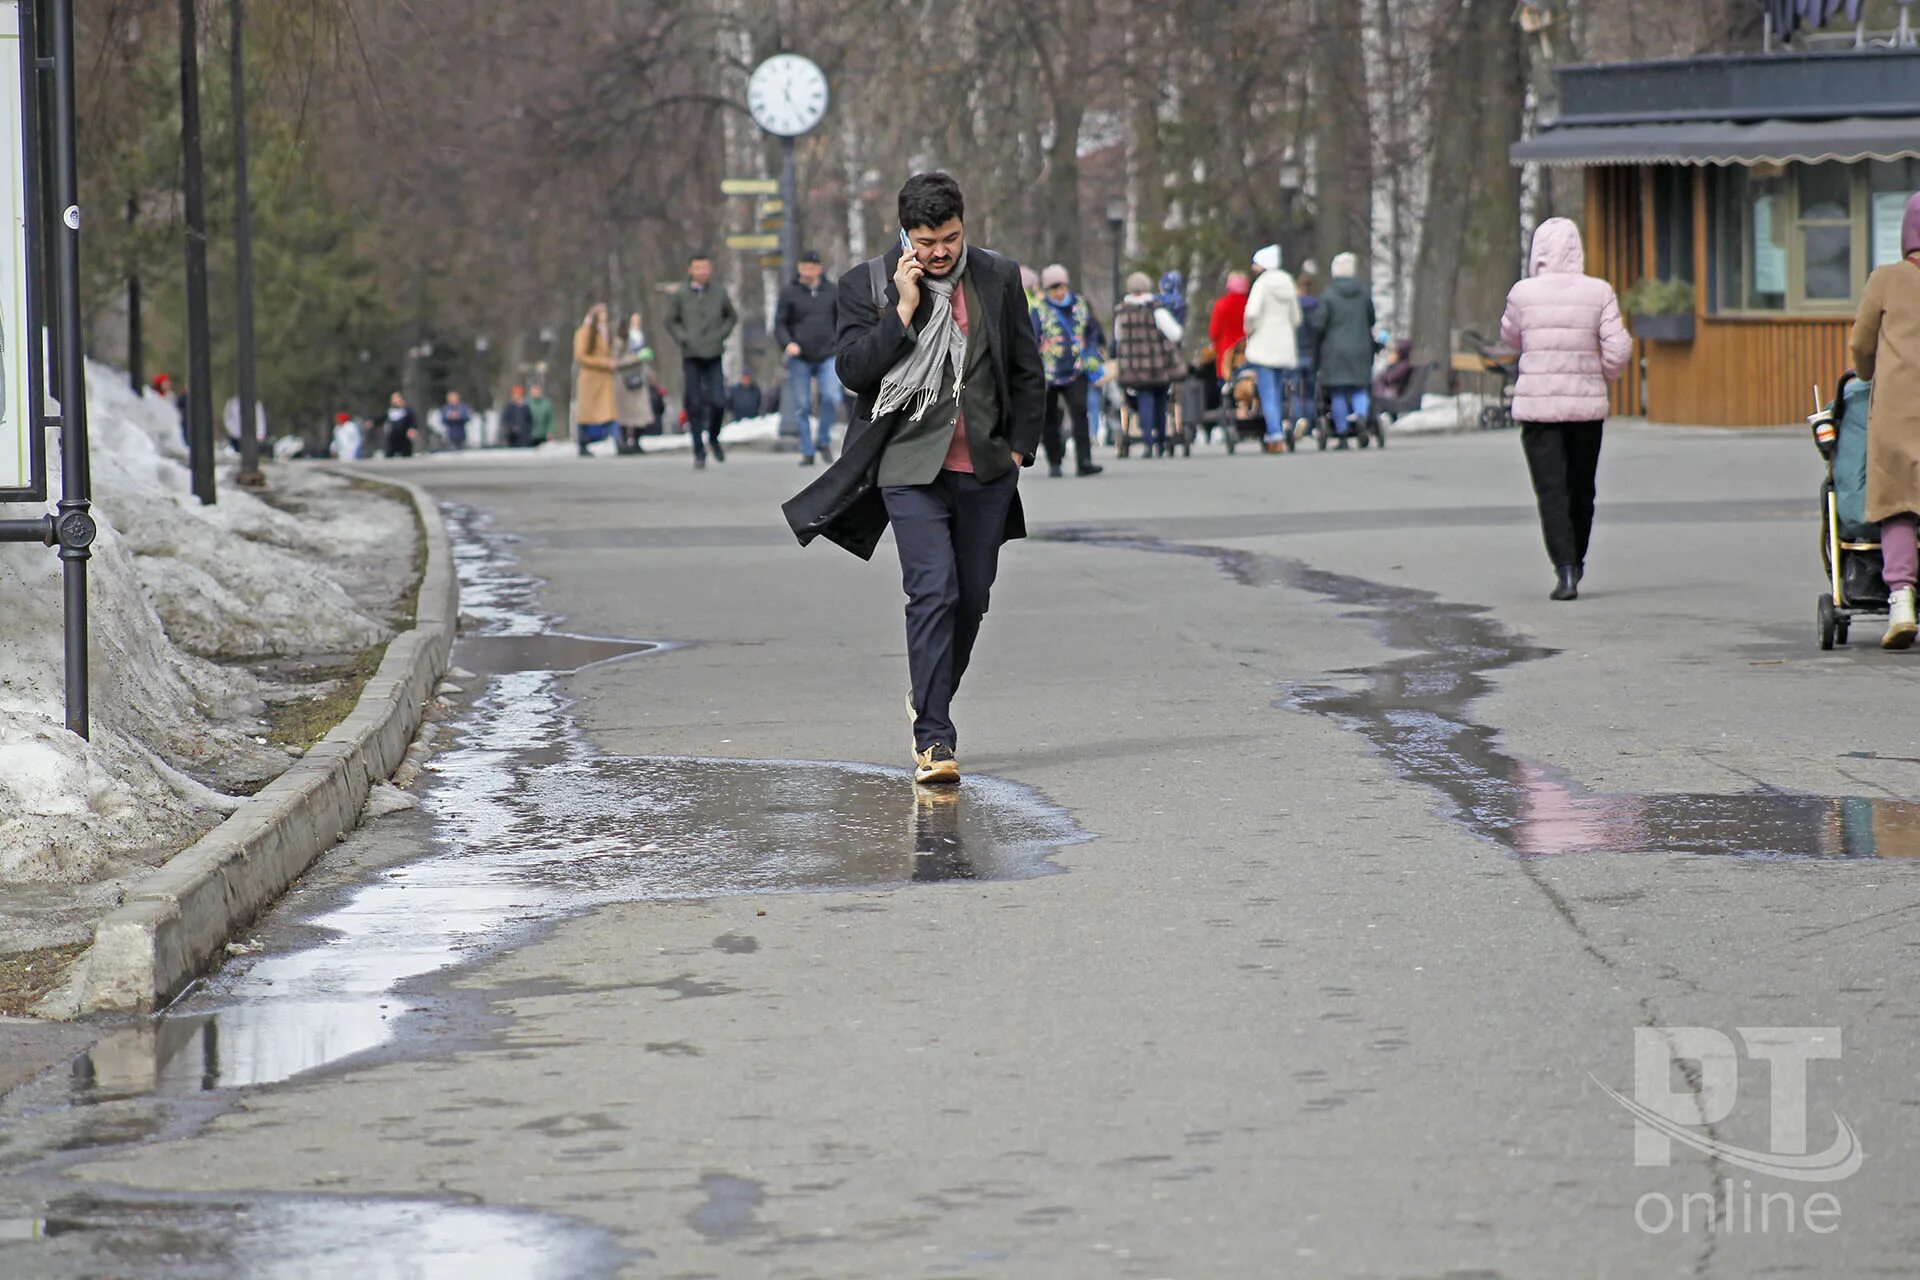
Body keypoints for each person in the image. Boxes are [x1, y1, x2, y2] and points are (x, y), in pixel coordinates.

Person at [782, 170, 1045, 785]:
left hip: (984, 464)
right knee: (934, 590)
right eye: (927, 242)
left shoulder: (998, 277)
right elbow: (852, 370)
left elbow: (1026, 369)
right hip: (907, 465)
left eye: (950, 238)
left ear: (962, 227)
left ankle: (931, 699)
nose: (940, 252)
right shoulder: (866, 286)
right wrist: (900, 313)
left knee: (973, 597)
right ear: (907, 235)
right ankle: (934, 738)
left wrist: (1020, 452)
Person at [1499, 217, 1632, 602]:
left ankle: (1565, 569)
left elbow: (1510, 335)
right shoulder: (1599, 291)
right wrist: (1602, 375)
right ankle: (1579, 558)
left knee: (1551, 490)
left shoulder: (1523, 293)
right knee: (1581, 487)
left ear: (1537, 251)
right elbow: (1619, 348)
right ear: (1577, 249)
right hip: (1586, 408)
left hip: (1539, 410)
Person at [1847, 190, 1920, 648]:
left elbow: (1861, 344)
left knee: (1898, 506)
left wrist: (1867, 373)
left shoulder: (1887, 279)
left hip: (1898, 411)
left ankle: (1902, 600)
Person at [664, 251, 737, 469]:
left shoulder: (719, 292)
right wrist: (683, 337)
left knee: (718, 401)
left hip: (714, 353)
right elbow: (670, 321)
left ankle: (713, 437)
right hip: (691, 355)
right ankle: (698, 449)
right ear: (690, 270)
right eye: (697, 268)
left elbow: (731, 317)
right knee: (694, 403)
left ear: (710, 269)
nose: (701, 272)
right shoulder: (682, 294)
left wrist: (721, 335)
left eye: (705, 267)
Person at [1031, 264, 1104, 478]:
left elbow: (1092, 332)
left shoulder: (1080, 305)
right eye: (1053, 287)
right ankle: (1054, 461)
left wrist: (1091, 354)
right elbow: (1031, 337)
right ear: (1046, 289)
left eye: (1061, 286)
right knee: (1050, 419)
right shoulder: (1039, 310)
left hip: (1076, 368)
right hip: (1048, 371)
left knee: (1080, 412)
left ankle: (1085, 461)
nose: (1058, 291)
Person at [777, 249, 843, 467]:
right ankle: (807, 450)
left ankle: (823, 440)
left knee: (831, 397)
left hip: (828, 354)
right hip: (800, 356)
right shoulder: (789, 293)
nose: (808, 271)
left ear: (819, 269)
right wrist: (788, 344)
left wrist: (840, 342)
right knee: (802, 404)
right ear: (799, 268)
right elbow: (780, 324)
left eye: (812, 267)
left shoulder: (832, 291)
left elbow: (841, 319)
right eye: (804, 266)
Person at [1114, 271, 1185, 458]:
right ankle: (1161, 441)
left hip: (1134, 368)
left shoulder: (1122, 312)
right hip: (1157, 365)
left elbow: (1117, 338)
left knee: (1143, 400)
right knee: (1161, 401)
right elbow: (1176, 334)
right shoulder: (1156, 310)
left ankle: (1147, 440)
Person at [1312, 252, 1379, 450]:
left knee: (1338, 391)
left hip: (1335, 351)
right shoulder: (1364, 294)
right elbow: (1372, 319)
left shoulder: (1328, 296)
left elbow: (1319, 324)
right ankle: (1360, 418)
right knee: (1359, 388)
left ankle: (1341, 432)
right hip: (1360, 349)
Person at [1243, 244, 1302, 453]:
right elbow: (1296, 317)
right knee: (1278, 391)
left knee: (1267, 393)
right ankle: (1279, 428)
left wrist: (1249, 330)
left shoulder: (1262, 284)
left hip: (1264, 346)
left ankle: (1275, 434)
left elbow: (1251, 313)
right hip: (1284, 345)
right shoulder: (1287, 282)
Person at [573, 303, 619, 458]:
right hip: (590, 379)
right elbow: (580, 356)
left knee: (609, 411)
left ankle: (618, 440)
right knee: (587, 413)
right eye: (602, 312)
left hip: (604, 379)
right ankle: (582, 442)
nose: (605, 315)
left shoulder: (604, 332)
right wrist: (603, 363)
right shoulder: (585, 332)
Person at [1289, 259, 1321, 439]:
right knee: (1310, 391)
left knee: (1293, 389)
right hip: (1311, 353)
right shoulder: (1316, 306)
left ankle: (1297, 419)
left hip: (1294, 353)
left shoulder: (1292, 307)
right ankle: (1310, 422)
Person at [614, 313, 653, 455]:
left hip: (639, 380)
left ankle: (636, 441)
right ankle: (624, 442)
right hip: (625, 382)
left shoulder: (640, 338)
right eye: (634, 321)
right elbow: (616, 361)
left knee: (641, 414)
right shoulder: (620, 340)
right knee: (625, 415)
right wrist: (635, 358)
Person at [1208, 271, 1252, 382]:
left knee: (1226, 391)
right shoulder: (1252, 305)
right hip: (1249, 356)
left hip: (1226, 360)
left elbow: (1214, 333)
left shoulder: (1221, 305)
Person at [383, 391, 418, 458]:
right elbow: (382, 418)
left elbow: (413, 421)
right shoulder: (390, 411)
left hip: (404, 437)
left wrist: (412, 429)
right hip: (393, 437)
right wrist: (372, 422)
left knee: (406, 455)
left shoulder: (407, 410)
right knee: (389, 455)